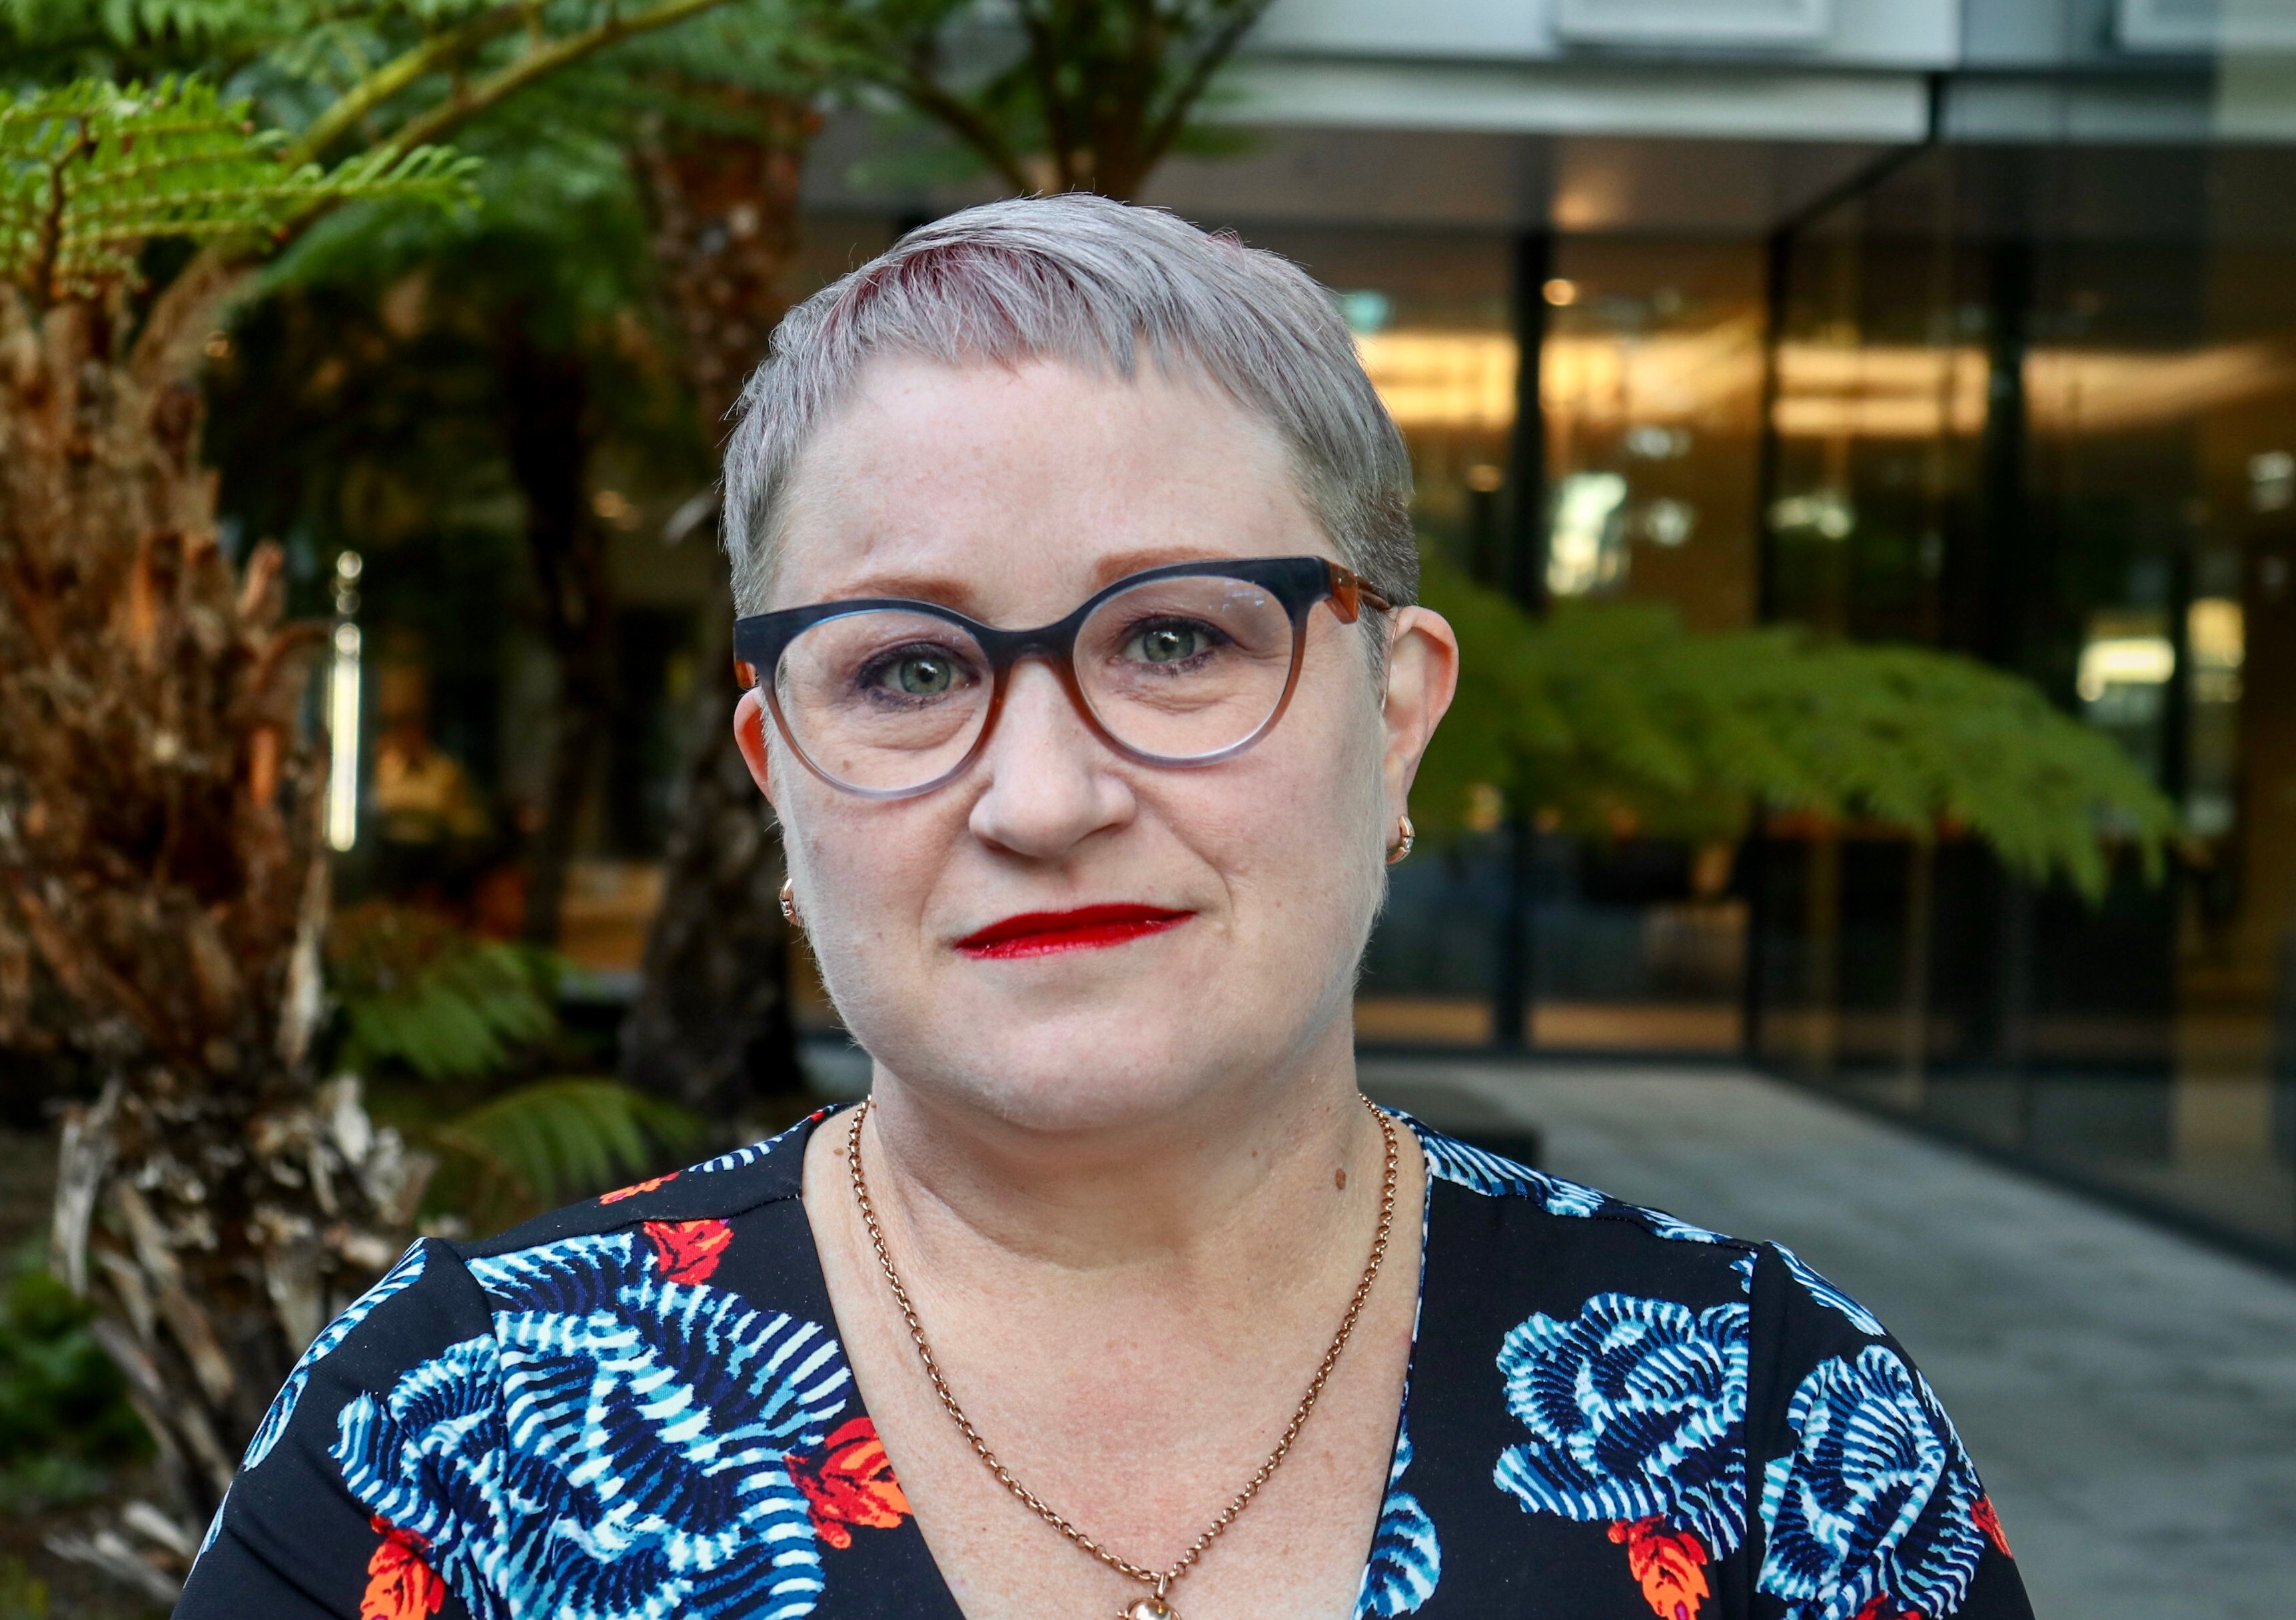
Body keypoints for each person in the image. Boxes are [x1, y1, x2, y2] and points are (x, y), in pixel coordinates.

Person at [177, 195, 2034, 1620]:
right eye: (906, 670)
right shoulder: (452, 1444)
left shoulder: (1774, 1439)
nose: (1046, 800)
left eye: (1173, 640)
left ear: (1395, 722)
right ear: (776, 771)